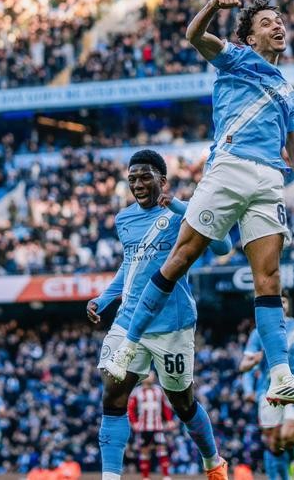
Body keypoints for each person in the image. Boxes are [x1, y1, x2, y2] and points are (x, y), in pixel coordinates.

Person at [103, 0, 294, 407]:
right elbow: (193, 35)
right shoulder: (235, 58)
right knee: (181, 257)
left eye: (279, 20)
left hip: (269, 180)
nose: (277, 25)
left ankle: (281, 376)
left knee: (269, 278)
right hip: (230, 167)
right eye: (267, 22)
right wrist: (214, 8)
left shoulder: (288, 92)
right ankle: (127, 345)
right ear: (250, 38)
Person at [87, 149, 232, 480]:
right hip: (128, 320)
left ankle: (212, 461)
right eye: (132, 178)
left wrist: (179, 206)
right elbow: (130, 265)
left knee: (183, 404)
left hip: (172, 325)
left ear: (162, 180)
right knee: (112, 393)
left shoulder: (183, 213)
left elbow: (223, 246)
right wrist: (104, 298)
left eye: (144, 177)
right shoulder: (124, 219)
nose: (137, 184)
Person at [239, 291, 294, 479]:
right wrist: (253, 363)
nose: (281, 305)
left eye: (284, 302)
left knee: (287, 435)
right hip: (269, 389)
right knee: (274, 443)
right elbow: (243, 366)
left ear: (288, 305)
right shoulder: (259, 332)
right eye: (278, 302)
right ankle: (287, 472)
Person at [128, 375, 175, 480]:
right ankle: (145, 477)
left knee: (162, 449)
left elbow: (165, 406)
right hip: (143, 427)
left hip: (158, 426)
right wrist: (134, 422)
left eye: (152, 374)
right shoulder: (137, 392)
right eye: (148, 374)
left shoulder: (158, 390)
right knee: (144, 451)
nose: (150, 376)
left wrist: (169, 420)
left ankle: (166, 476)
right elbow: (130, 408)